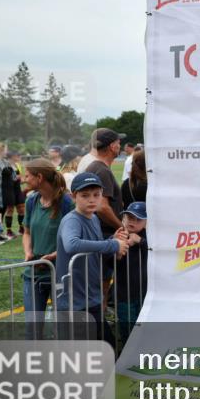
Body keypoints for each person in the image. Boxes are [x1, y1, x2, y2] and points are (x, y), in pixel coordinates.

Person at [55, 172, 127, 344]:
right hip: (74, 298)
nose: (91, 200)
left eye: (96, 195)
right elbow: (71, 244)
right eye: (85, 195)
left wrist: (111, 240)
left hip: (90, 293)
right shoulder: (72, 220)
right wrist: (113, 245)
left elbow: (93, 246)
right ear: (74, 196)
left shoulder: (94, 218)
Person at [21, 158, 74, 339]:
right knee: (32, 327)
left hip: (60, 274)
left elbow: (74, 239)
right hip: (33, 274)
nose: (24, 179)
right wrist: (28, 252)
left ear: (40, 177)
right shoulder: (31, 201)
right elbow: (26, 232)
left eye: (27, 175)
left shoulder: (67, 203)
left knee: (63, 326)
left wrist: (55, 255)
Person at [84, 129, 126, 308]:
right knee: (100, 288)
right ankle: (99, 327)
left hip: (98, 236)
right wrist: (121, 228)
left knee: (98, 287)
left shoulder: (96, 167)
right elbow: (102, 206)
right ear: (112, 146)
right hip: (104, 236)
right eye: (118, 142)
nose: (121, 145)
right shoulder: (102, 170)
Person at [113, 202, 148, 344]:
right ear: (123, 218)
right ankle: (128, 358)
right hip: (124, 295)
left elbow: (159, 250)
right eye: (129, 217)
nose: (132, 222)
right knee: (128, 329)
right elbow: (107, 260)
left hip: (145, 294)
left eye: (138, 219)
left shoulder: (149, 237)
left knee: (144, 328)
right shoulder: (118, 236)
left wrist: (140, 241)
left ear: (146, 222)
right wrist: (116, 251)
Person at [1, 151, 27, 239]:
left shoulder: (17, 165)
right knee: (10, 209)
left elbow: (20, 177)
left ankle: (21, 228)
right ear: (12, 156)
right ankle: (9, 230)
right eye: (18, 155)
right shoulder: (5, 166)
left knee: (21, 208)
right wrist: (17, 178)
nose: (19, 157)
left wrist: (23, 179)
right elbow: (9, 178)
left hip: (17, 189)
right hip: (8, 190)